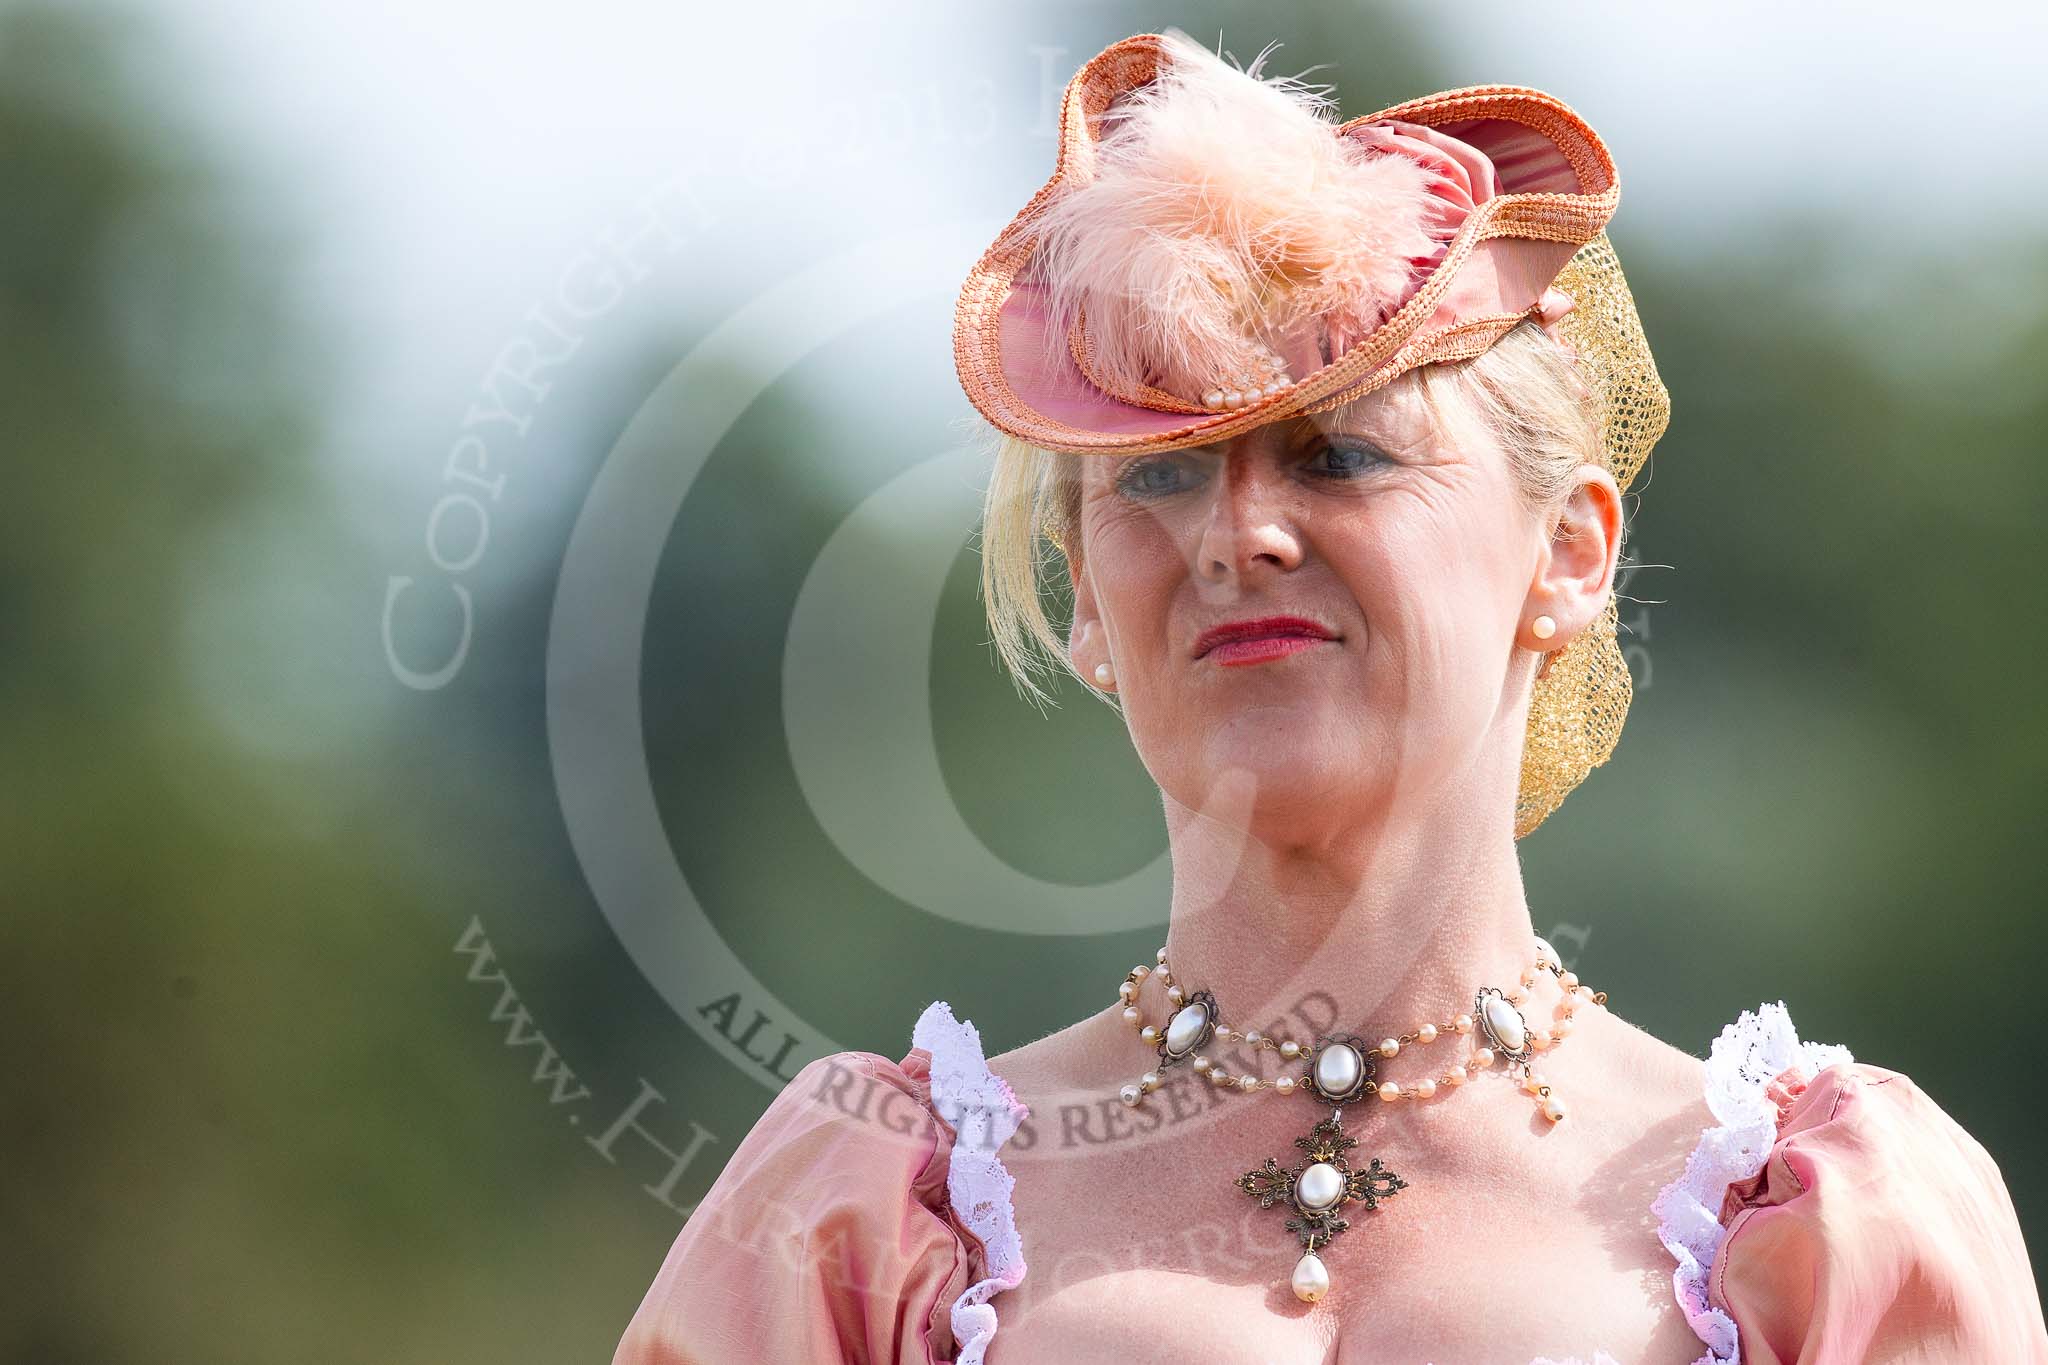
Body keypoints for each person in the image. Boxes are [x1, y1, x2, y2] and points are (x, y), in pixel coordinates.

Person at [612, 30, 2048, 1364]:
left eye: (1339, 456)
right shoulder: (866, 1220)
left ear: (1568, 554)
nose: (1237, 536)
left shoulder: (1825, 1221)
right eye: (1160, 475)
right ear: (1086, 606)